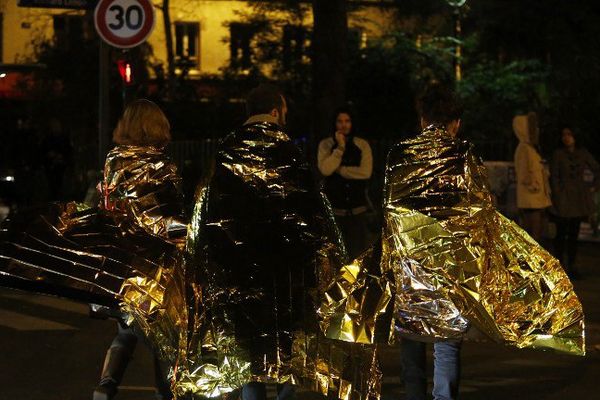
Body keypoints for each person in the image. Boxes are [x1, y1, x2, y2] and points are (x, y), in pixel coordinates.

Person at [93, 99, 185, 400]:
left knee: (125, 329)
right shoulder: (162, 164)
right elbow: (172, 214)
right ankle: (164, 393)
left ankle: (106, 385)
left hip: (118, 258)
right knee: (162, 336)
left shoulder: (113, 160)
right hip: (153, 263)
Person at [317, 108, 373, 259]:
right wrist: (340, 148)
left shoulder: (362, 145)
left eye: (347, 121)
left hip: (357, 210)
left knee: (357, 255)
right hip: (335, 211)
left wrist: (340, 170)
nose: (343, 125)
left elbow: (365, 172)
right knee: (336, 256)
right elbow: (326, 169)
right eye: (340, 121)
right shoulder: (326, 145)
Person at [550, 126, 600, 278]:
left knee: (573, 233)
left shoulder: (582, 152)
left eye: (569, 134)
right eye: (564, 134)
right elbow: (554, 176)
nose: (566, 137)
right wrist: (557, 194)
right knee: (561, 233)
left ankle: (572, 264)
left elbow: (597, 169)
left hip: (578, 196)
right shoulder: (558, 154)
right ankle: (558, 266)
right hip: (563, 196)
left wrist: (593, 187)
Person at [513, 112, 552, 242]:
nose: (536, 131)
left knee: (537, 233)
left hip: (536, 199)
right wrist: (534, 185)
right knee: (532, 236)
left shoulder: (530, 148)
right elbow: (524, 174)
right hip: (530, 200)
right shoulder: (524, 149)